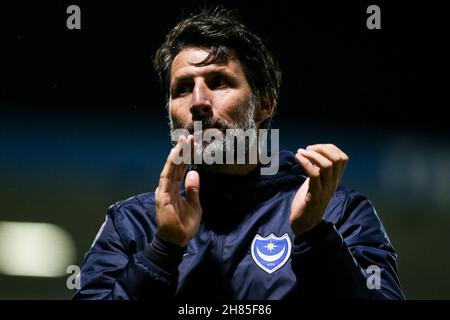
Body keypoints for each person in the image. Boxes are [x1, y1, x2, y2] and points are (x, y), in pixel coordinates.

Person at [73, 8, 404, 300]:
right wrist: (163, 250)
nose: (198, 102)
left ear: (264, 104)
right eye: (183, 88)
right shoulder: (133, 223)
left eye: (218, 81)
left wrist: (315, 237)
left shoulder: (337, 211)